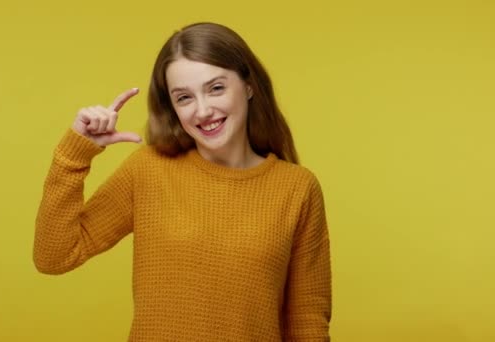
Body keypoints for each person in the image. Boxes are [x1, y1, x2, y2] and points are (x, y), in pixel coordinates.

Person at [34, 22, 331, 341]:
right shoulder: (148, 170)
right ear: (172, 108)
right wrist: (75, 152)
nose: (203, 111)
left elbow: (306, 316)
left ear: (248, 85)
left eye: (216, 88)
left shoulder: (298, 188)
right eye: (184, 97)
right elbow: (55, 255)